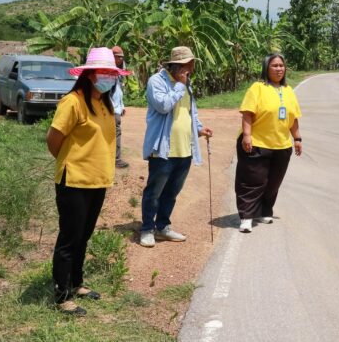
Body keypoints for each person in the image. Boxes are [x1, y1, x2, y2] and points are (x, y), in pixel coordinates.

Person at [45, 47, 130, 315]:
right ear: (90, 74)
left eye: (112, 73)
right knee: (69, 238)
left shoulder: (104, 102)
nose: (109, 77)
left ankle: (77, 282)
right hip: (74, 181)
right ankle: (61, 295)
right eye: (104, 72)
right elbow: (53, 140)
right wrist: (71, 161)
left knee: (84, 235)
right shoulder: (73, 102)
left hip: (97, 181)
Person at [139, 46, 213, 247]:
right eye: (188, 64)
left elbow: (190, 112)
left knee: (172, 192)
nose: (191, 67)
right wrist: (180, 85)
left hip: (184, 149)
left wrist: (199, 129)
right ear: (175, 65)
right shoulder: (157, 81)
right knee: (154, 192)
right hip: (163, 149)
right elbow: (163, 106)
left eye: (191, 63)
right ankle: (147, 229)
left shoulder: (186, 83)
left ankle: (162, 227)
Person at [235, 53, 302, 233]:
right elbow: (247, 113)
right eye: (275, 66)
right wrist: (247, 136)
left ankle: (265, 210)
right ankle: (246, 217)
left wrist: (297, 139)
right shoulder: (257, 88)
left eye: (281, 65)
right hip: (257, 143)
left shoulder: (288, 90)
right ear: (266, 68)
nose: (279, 69)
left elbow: (293, 118)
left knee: (273, 182)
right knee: (252, 181)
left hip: (282, 145)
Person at [110, 45, 130, 168]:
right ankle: (115, 159)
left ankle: (114, 158)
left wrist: (122, 106)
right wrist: (113, 108)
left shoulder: (117, 72)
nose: (122, 60)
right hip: (111, 110)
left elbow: (118, 91)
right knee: (114, 134)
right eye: (119, 57)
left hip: (116, 109)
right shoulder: (109, 72)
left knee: (115, 133)